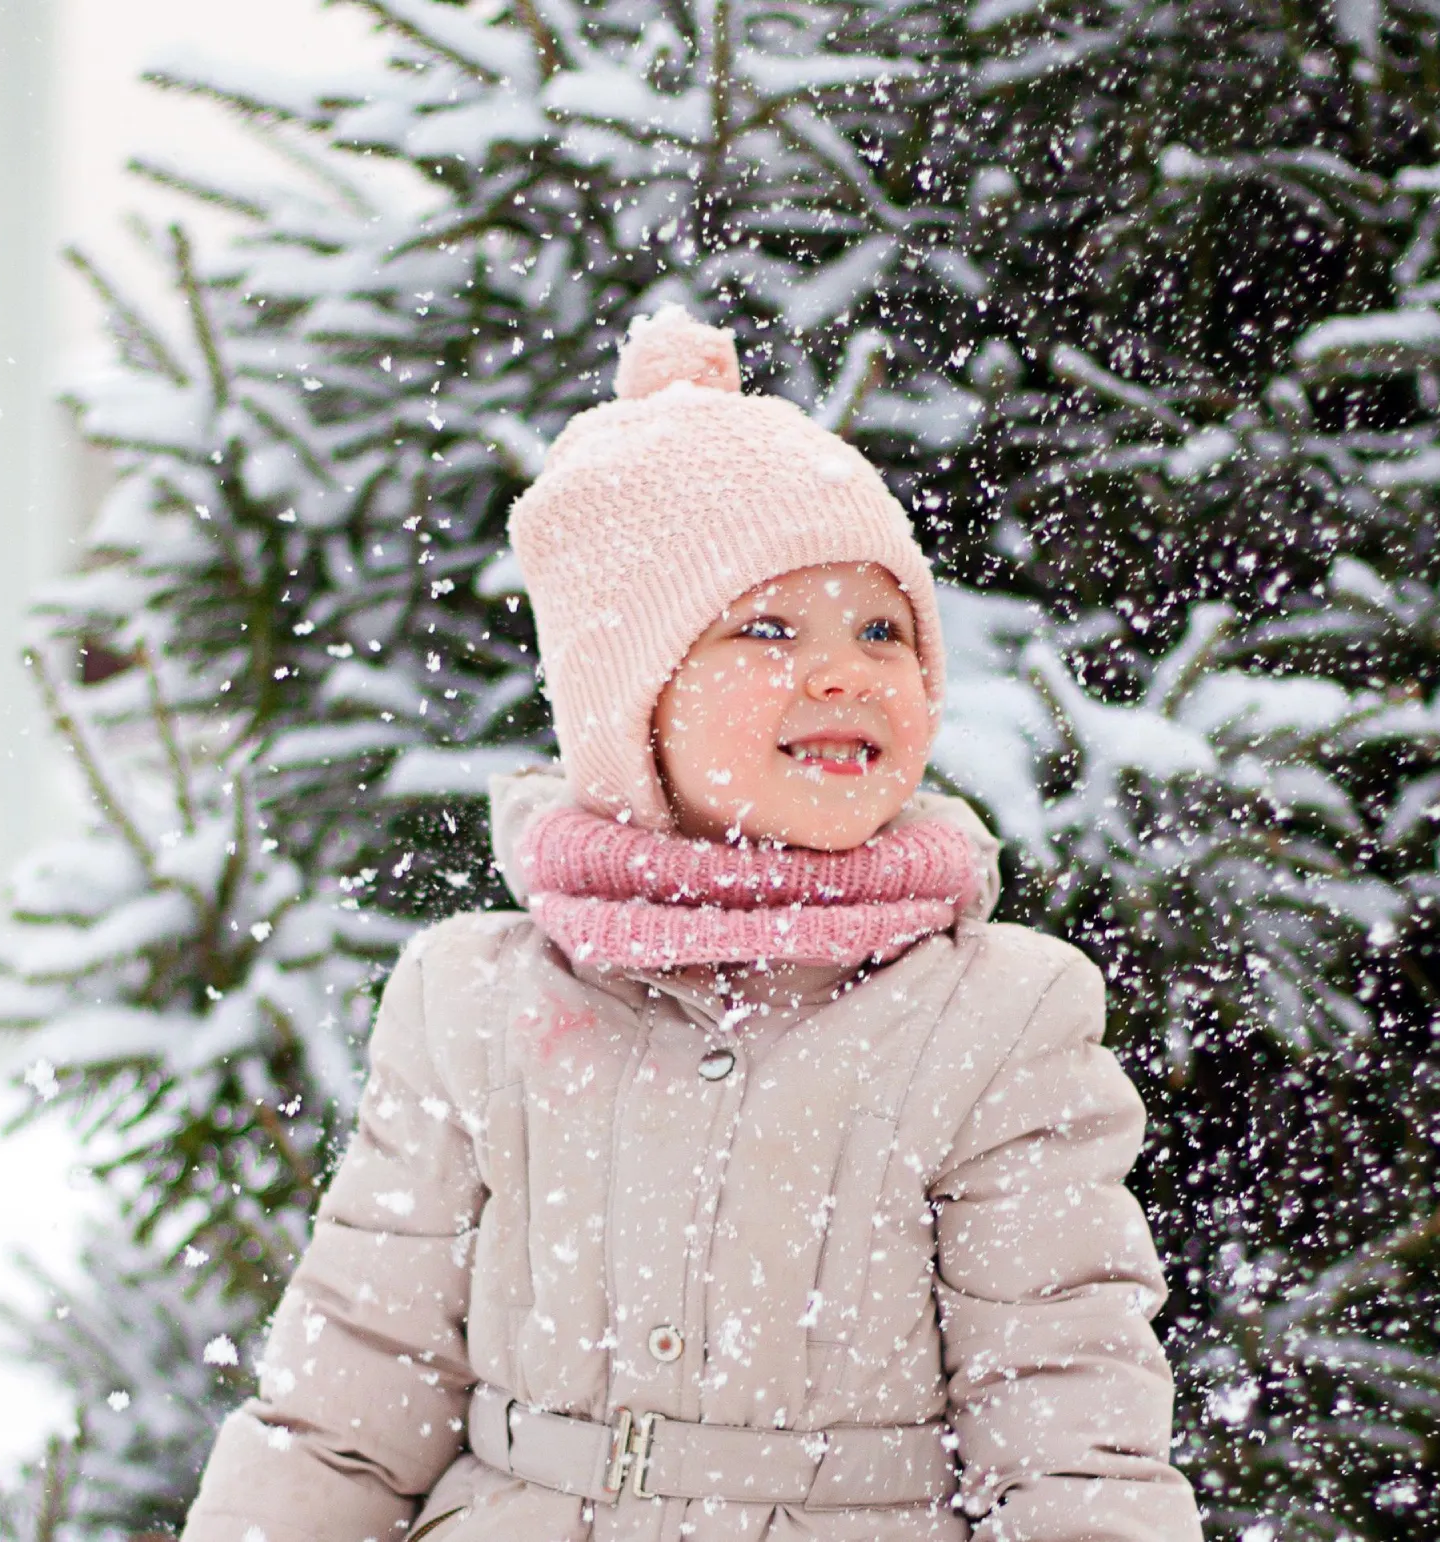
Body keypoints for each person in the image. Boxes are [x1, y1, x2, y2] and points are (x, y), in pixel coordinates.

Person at [178, 306, 1202, 1542]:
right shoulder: (477, 1003)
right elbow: (352, 1387)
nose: (844, 671)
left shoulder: (994, 1016)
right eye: (767, 629)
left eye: (883, 630)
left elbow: (1062, 1411)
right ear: (632, 701)